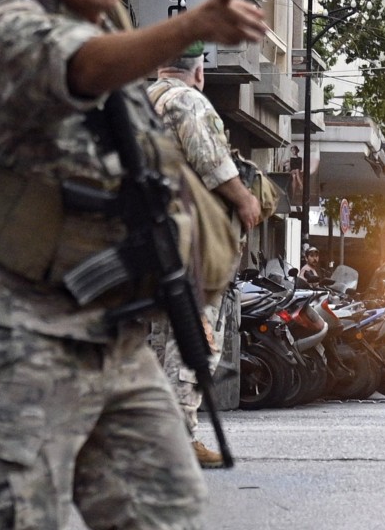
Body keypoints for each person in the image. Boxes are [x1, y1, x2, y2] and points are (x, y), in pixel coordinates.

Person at [0, 0, 265, 528]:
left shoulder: (120, 48)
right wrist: (185, 28)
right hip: (27, 338)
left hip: (117, 337)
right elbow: (81, 66)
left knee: (162, 507)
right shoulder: (17, 31)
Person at [148, 40, 262, 467]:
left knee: (161, 339)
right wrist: (246, 201)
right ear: (198, 71)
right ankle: (180, 437)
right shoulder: (188, 102)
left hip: (150, 238)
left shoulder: (143, 99)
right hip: (188, 240)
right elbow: (213, 163)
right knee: (195, 336)